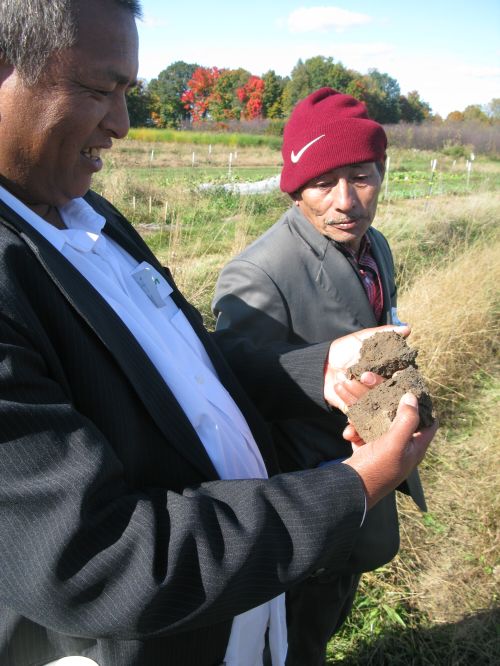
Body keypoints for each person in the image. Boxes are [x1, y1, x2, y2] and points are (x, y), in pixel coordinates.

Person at [0, 3, 436, 666]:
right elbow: (97, 558)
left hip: (249, 617)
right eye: (97, 89)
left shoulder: (88, 216)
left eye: (127, 93)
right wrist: (351, 487)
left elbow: (194, 371)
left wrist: (314, 372)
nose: (121, 124)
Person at [213, 87, 427, 665]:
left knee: (332, 612)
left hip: (366, 473)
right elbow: (234, 371)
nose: (344, 201)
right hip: (307, 495)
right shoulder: (259, 270)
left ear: (382, 173)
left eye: (360, 176)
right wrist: (322, 373)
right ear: (294, 186)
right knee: (293, 638)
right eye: (321, 182)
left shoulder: (373, 245)